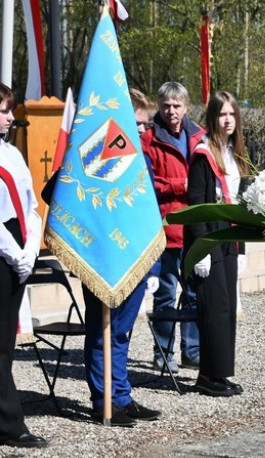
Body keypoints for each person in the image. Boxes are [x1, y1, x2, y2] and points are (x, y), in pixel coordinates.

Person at [80, 88, 163, 427]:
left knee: (123, 333)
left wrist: (153, 264)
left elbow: (149, 215)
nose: (145, 131)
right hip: (104, 256)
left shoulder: (140, 161)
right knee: (103, 330)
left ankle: (121, 396)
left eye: (146, 125)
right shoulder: (94, 156)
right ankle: (104, 401)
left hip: (134, 258)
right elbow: (69, 196)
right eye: (139, 124)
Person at [186, 91, 249, 397]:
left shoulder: (234, 153)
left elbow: (242, 203)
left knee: (226, 309)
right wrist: (201, 249)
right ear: (213, 118)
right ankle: (207, 376)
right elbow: (196, 203)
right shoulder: (203, 153)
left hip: (230, 236)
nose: (228, 120)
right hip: (210, 236)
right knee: (213, 308)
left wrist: (243, 248)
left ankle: (221, 373)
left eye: (232, 114)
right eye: (222, 114)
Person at [141, 82, 205, 371]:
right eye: (166, 105)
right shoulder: (149, 140)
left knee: (193, 295)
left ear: (186, 106)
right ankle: (163, 354)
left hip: (193, 231)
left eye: (177, 105)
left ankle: (192, 351)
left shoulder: (199, 137)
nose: (171, 111)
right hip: (166, 230)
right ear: (159, 106)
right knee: (165, 296)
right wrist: (182, 186)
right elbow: (146, 184)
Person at [0, 83, 46, 449]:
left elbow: (29, 205)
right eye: (2, 110)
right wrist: (14, 253)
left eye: (9, 109)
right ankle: (10, 423)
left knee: (5, 343)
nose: (9, 117)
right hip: (3, 252)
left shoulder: (12, 154)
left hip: (18, 249)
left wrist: (31, 248)